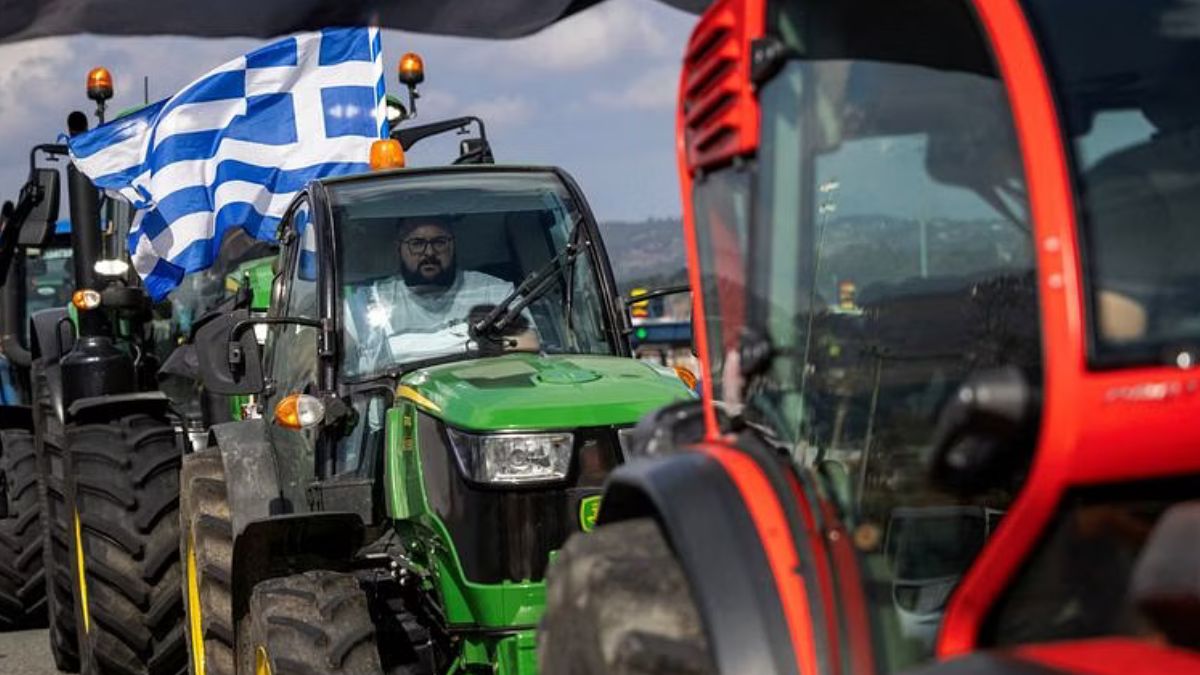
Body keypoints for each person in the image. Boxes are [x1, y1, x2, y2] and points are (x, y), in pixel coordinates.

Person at [347, 217, 537, 372]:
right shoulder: (369, 303)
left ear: (453, 245)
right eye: (417, 243)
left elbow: (528, 345)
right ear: (400, 248)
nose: (429, 252)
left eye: (439, 242)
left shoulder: (494, 291)